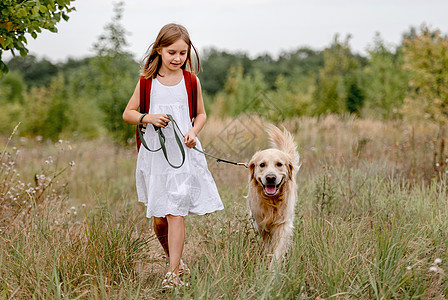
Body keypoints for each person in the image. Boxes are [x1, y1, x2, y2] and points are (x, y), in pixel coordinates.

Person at [122, 23, 223, 289]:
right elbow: (128, 113)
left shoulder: (191, 81)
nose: (178, 58)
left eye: (183, 53)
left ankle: (173, 273)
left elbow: (201, 114)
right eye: (172, 52)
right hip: (155, 155)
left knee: (175, 211)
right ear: (159, 50)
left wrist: (194, 131)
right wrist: (148, 117)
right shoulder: (147, 81)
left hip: (183, 153)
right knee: (160, 218)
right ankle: (175, 262)